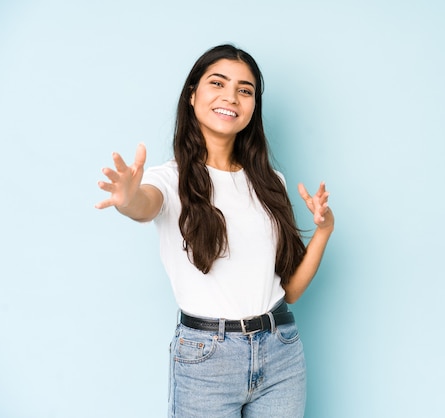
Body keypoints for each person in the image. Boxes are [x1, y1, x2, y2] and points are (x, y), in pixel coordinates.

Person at [95, 44, 334, 417]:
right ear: (193, 95)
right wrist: (128, 198)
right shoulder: (170, 179)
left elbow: (291, 291)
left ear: (254, 106)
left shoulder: (272, 182)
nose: (231, 97)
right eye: (217, 83)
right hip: (206, 358)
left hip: (281, 348)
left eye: (245, 90)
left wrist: (323, 230)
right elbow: (145, 203)